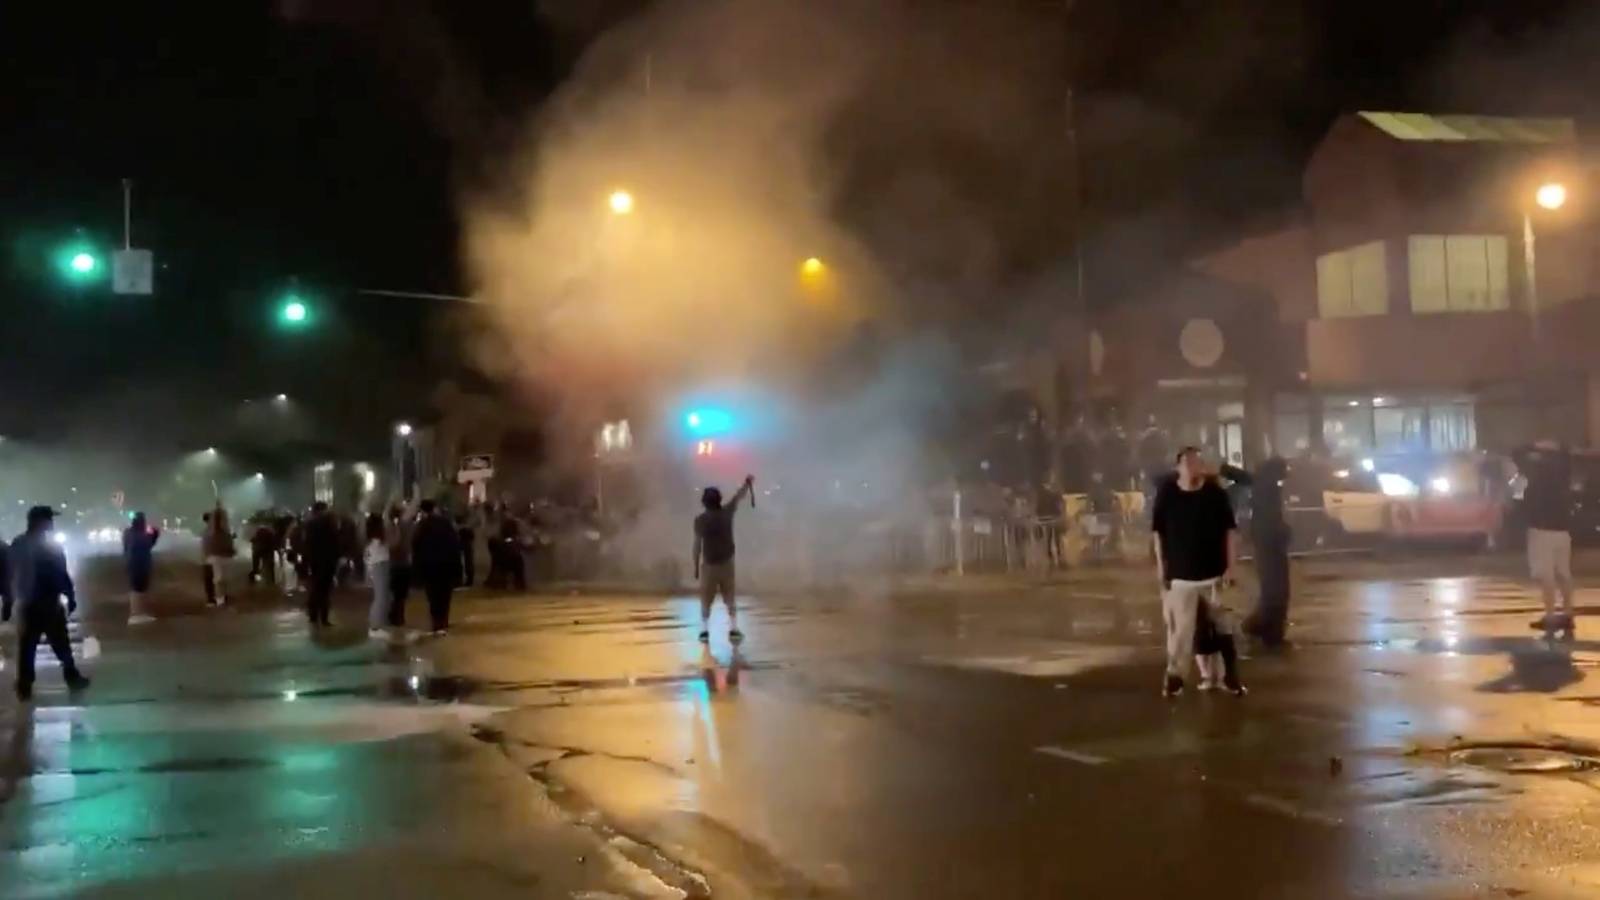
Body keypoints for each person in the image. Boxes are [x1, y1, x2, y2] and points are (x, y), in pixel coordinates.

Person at [1151, 448, 1246, 698]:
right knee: (1180, 633)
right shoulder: (1168, 494)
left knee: (1225, 628)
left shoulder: (1215, 494)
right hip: (1181, 577)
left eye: (1198, 462)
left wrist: (1231, 566)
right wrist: (1162, 570)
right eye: (1189, 463)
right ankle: (1175, 678)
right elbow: (1158, 534)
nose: (1194, 467)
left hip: (1214, 574)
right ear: (1178, 467)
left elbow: (1230, 532)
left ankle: (1231, 676)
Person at [5, 506, 90, 701]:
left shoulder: (18, 543)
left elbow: (10, 574)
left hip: (28, 603)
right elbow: (61, 573)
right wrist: (70, 596)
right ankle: (71, 677)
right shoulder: (48, 546)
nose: (51, 524)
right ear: (40, 522)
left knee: (28, 646)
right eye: (49, 520)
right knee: (60, 643)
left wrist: (9, 600)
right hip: (47, 603)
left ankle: (24, 686)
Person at [1514, 439, 1576, 634]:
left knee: (1546, 575)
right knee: (1563, 574)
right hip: (1562, 530)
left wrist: (1535, 446)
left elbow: (1517, 452)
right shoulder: (1563, 471)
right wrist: (1554, 447)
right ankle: (1567, 615)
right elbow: (1566, 452)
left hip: (1541, 530)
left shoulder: (1535, 472)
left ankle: (1550, 615)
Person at [693, 475, 754, 643]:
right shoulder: (727, 513)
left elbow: (697, 545)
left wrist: (696, 566)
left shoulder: (701, 520)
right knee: (729, 596)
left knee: (706, 598)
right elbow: (738, 497)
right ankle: (733, 628)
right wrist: (747, 484)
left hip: (709, 564)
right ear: (719, 500)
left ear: (704, 502)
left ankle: (705, 630)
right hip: (727, 563)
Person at [1242, 457, 1293, 647]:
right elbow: (1270, 519)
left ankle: (1264, 626)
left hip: (1267, 545)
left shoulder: (1263, 486)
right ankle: (1268, 629)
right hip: (1270, 546)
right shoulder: (1268, 489)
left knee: (1273, 589)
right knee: (1276, 590)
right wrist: (1283, 532)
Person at [413, 500, 461, 635]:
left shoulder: (422, 525)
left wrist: (417, 568)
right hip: (446, 564)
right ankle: (443, 620)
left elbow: (416, 545)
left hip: (429, 566)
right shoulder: (445, 523)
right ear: (434, 509)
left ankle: (436, 622)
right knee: (445, 594)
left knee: (433, 595)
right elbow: (454, 544)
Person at [302, 502, 342, 627]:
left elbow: (306, 542)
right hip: (328, 560)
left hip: (314, 559)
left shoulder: (309, 524)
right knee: (324, 590)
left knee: (315, 587)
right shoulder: (329, 522)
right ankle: (324, 618)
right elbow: (335, 541)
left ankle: (313, 616)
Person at [122, 512, 161, 625]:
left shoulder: (128, 533)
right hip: (140, 564)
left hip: (132, 563)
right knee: (139, 589)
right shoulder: (140, 535)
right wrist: (151, 530)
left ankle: (137, 613)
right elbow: (152, 538)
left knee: (136, 589)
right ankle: (137, 614)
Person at [386, 502, 416, 627]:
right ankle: (397, 616)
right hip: (402, 562)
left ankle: (396, 615)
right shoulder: (403, 526)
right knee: (400, 592)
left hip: (395, 562)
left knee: (397, 592)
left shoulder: (392, 526)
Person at [201, 503, 236, 607]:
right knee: (219, 578)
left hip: (217, 556)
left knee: (220, 578)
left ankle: (219, 598)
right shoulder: (212, 531)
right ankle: (219, 599)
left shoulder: (220, 531)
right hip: (214, 556)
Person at [364, 513, 391, 638]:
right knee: (380, 597)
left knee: (383, 596)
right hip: (379, 565)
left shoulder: (372, 540)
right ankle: (375, 627)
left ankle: (377, 624)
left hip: (378, 566)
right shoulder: (377, 541)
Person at [249, 520, 277, 586]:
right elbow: (274, 541)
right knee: (269, 566)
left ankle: (254, 579)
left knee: (256, 565)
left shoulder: (258, 531)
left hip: (258, 550)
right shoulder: (271, 532)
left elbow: (252, 540)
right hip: (268, 551)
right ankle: (271, 581)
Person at [457, 513, 477, 587]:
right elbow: (472, 537)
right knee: (469, 563)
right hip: (468, 546)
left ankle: (467, 580)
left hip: (463, 546)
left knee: (466, 563)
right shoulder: (468, 528)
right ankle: (469, 580)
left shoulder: (460, 529)